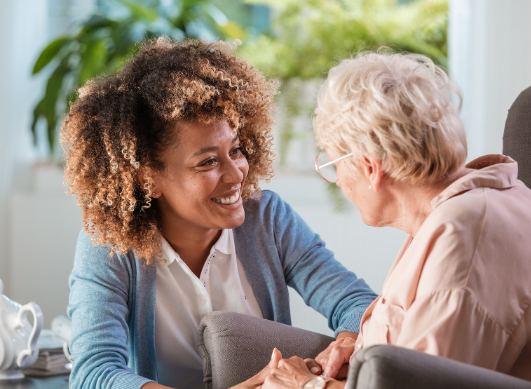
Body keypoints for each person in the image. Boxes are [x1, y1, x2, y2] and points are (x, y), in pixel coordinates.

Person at [63, 37, 378, 389]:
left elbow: (356, 303)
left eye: (237, 150)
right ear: (149, 178)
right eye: (208, 161)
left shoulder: (268, 219)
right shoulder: (109, 246)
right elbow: (94, 373)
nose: (236, 174)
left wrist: (344, 347)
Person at [259, 50, 531, 389]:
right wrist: (359, 356)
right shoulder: (461, 209)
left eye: (332, 163)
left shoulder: (462, 239)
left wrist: (306, 386)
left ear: (370, 167)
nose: (339, 180)